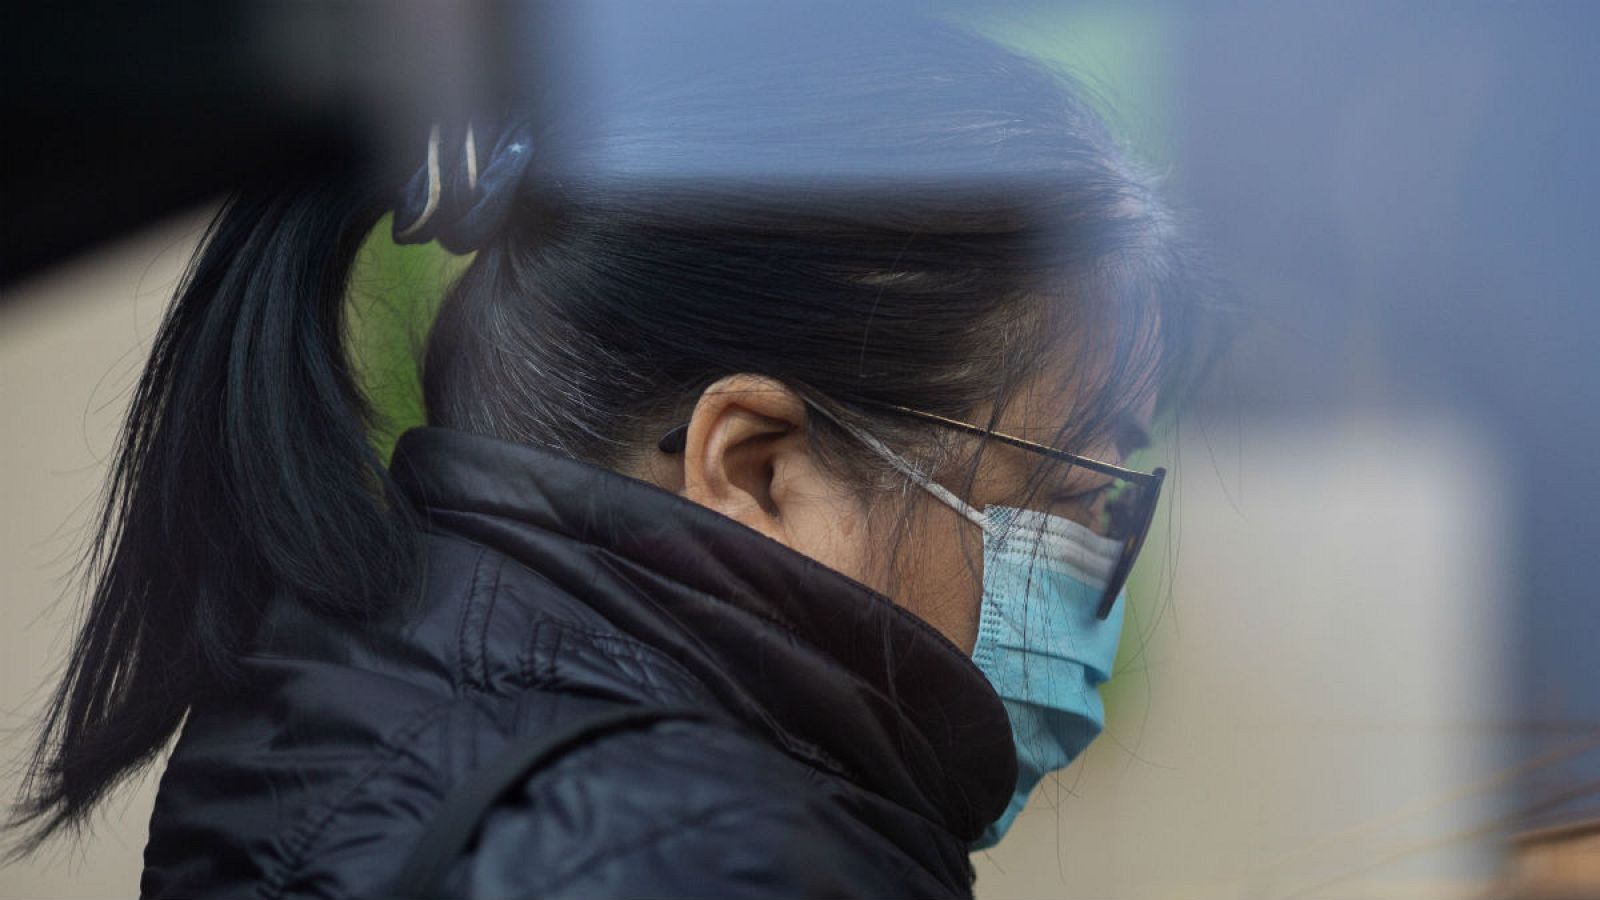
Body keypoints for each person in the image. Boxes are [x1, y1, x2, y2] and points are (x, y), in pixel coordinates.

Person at [10, 8, 1215, 898]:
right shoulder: (707, 861)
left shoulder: (374, 702)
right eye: (1063, 488)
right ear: (754, 466)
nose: (1087, 562)